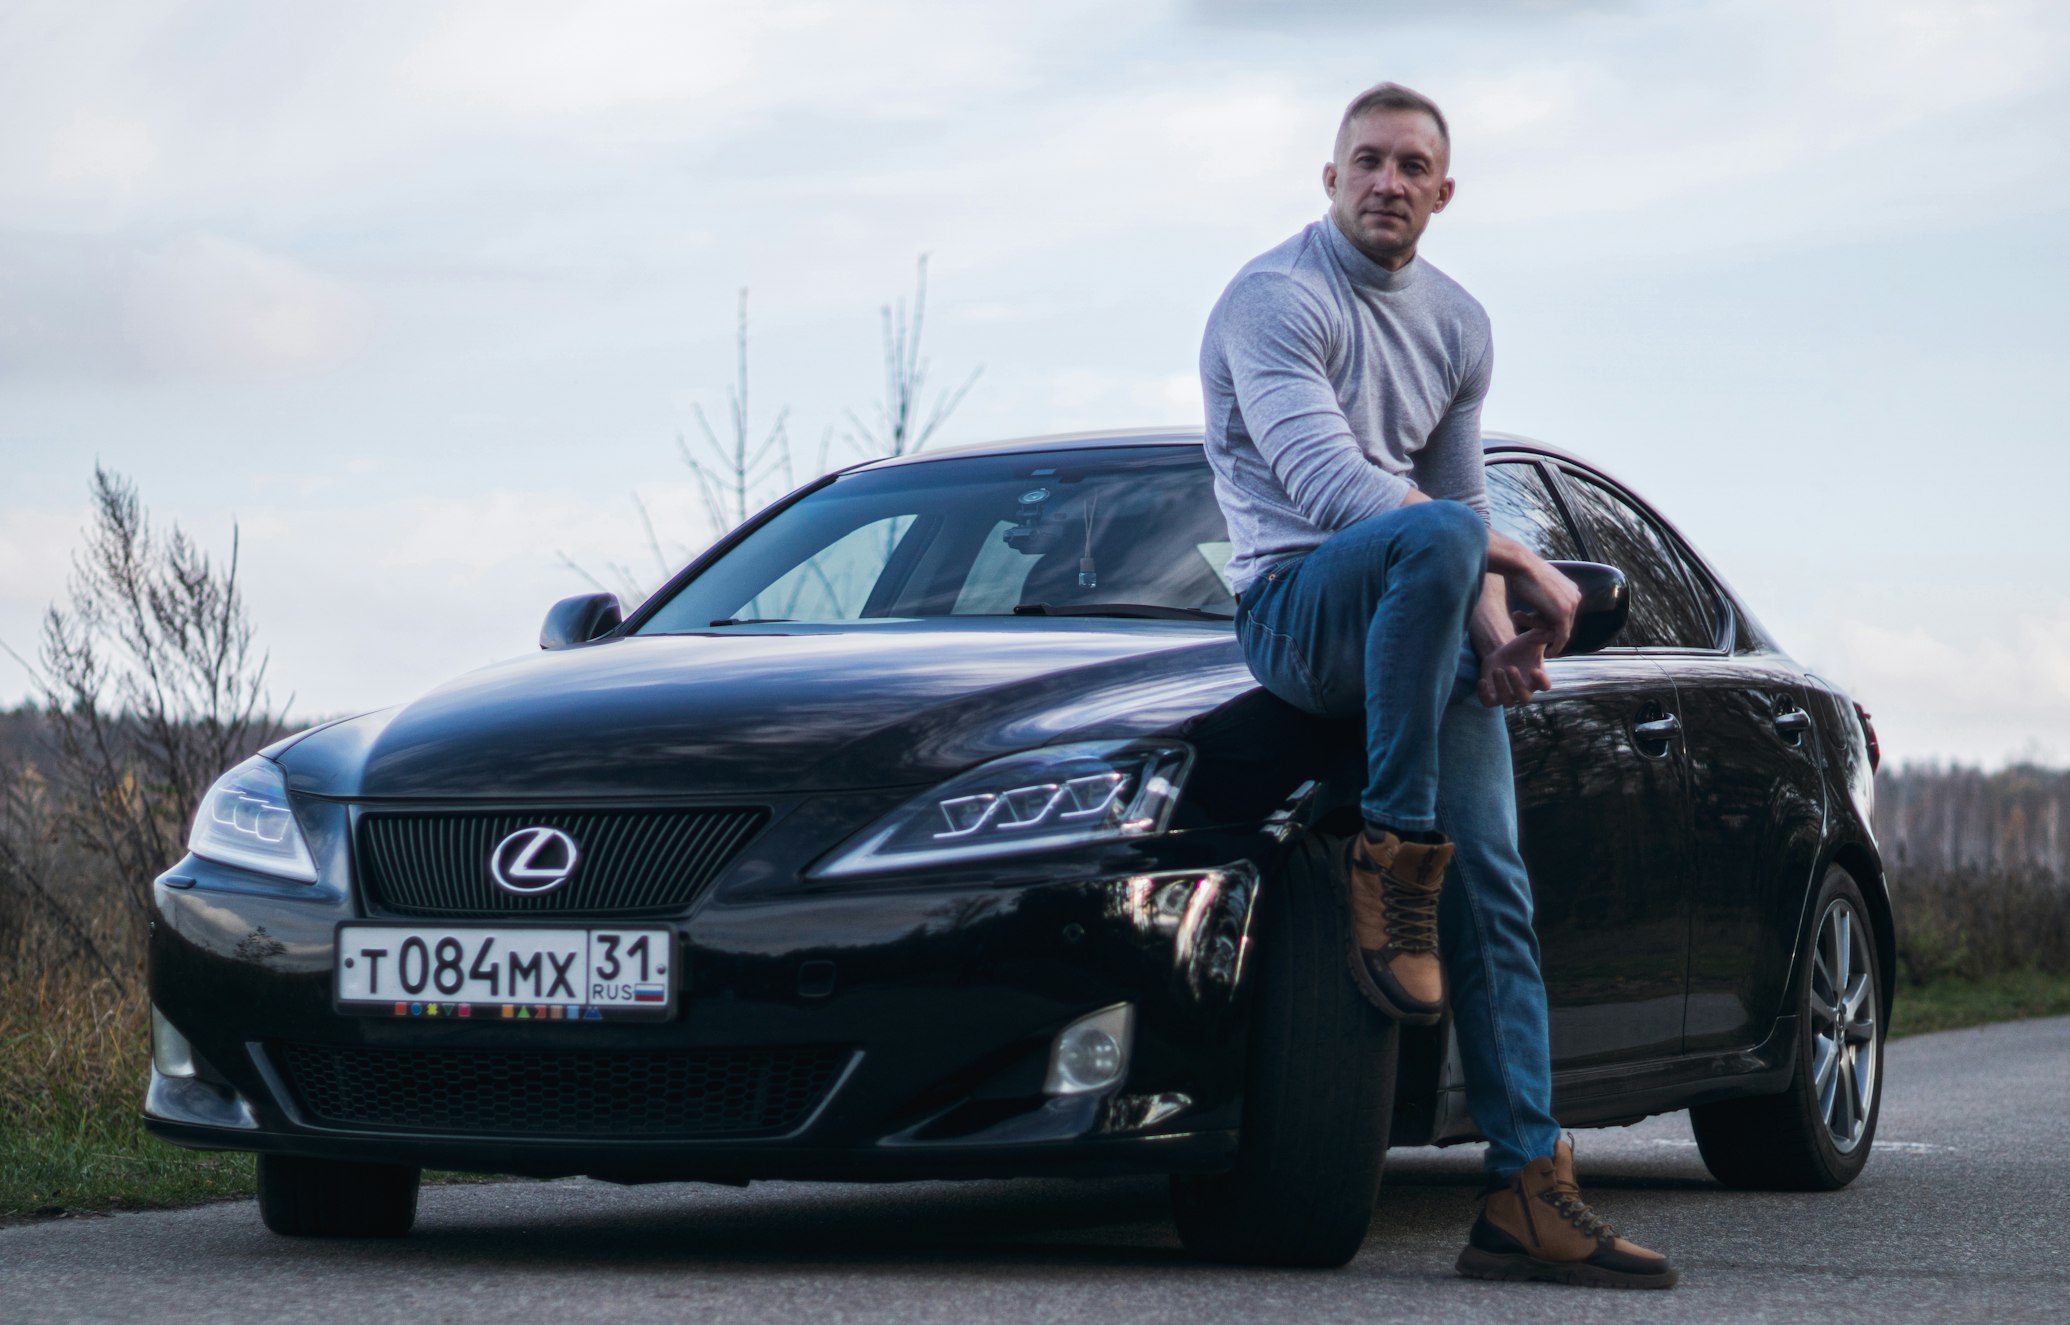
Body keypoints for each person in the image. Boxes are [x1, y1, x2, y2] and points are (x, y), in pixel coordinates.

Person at [1199, 81, 1678, 1290]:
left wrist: (1500, 633)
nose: (1388, 182)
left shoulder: (1459, 321)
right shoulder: (1274, 298)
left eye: (1412, 166)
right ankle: (1394, 851)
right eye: (1367, 160)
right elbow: (1332, 487)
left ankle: (1526, 1185)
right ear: (1329, 178)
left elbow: (1454, 505)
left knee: (1500, 886)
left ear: (1444, 192)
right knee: (1440, 538)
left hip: (1422, 607)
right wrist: (1520, 562)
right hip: (1298, 610)